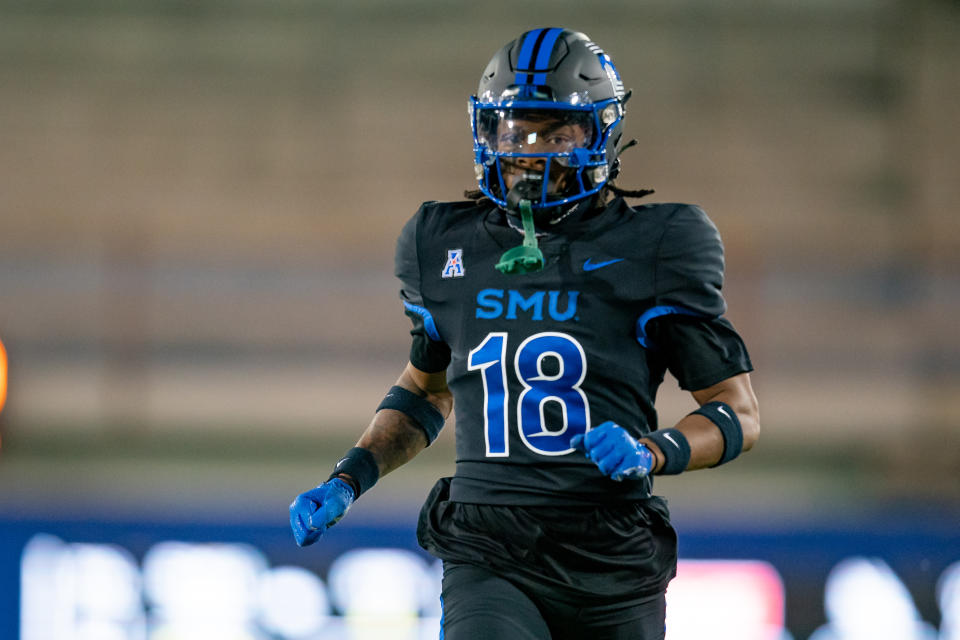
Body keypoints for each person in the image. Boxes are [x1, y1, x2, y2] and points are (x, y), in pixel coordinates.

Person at [290, 27, 760, 640]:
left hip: (610, 552)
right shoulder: (441, 244)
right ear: (487, 132)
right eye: (514, 130)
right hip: (490, 544)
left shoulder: (658, 245)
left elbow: (738, 414)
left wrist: (654, 450)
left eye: (555, 132)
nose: (529, 150)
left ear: (598, 134)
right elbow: (427, 391)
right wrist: (348, 476)